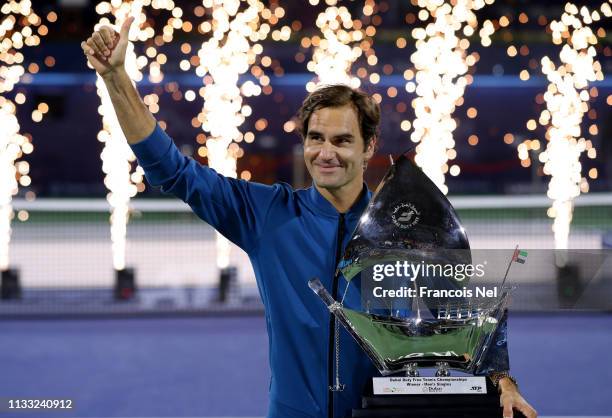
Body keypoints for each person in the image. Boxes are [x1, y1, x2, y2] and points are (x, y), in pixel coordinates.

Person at [82, 17, 538, 418]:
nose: (325, 153)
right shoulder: (266, 215)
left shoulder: (408, 228)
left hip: (384, 414)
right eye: (315, 138)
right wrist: (116, 78)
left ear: (368, 147)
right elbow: (172, 170)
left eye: (342, 140)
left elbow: (460, 325)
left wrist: (505, 384)